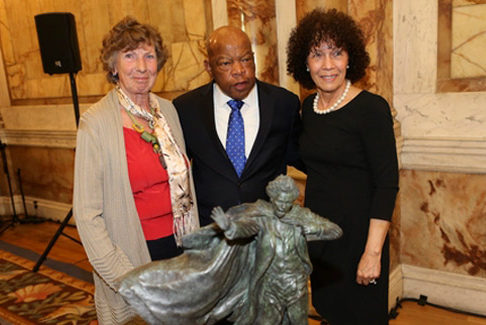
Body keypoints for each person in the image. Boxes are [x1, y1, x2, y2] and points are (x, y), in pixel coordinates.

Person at [73, 16, 199, 324]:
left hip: (180, 246)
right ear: (113, 66)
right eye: (129, 55)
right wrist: (123, 275)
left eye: (149, 55)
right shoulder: (96, 123)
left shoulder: (167, 111)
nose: (141, 66)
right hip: (133, 253)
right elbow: (87, 214)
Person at [286, 8, 400, 324]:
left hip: (360, 239)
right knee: (329, 311)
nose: (327, 65)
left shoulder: (371, 110)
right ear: (304, 63)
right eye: (317, 55)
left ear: (350, 57)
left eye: (336, 53)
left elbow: (387, 185)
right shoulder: (308, 108)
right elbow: (317, 164)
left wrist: (372, 253)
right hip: (322, 238)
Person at [118, 175, 342, 324]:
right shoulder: (263, 218)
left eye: (287, 202)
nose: (282, 207)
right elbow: (242, 230)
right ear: (272, 199)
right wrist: (228, 226)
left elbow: (334, 231)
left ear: (294, 200)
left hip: (295, 286)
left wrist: (305, 225)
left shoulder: (301, 216)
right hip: (269, 287)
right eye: (278, 202)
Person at [173, 26, 302, 227]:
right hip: (212, 236)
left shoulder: (284, 104)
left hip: (268, 233)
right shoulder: (186, 109)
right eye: (225, 63)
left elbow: (307, 158)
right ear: (209, 67)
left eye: (245, 60)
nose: (239, 70)